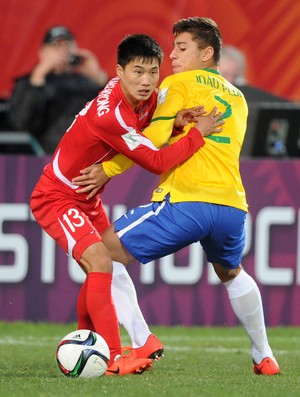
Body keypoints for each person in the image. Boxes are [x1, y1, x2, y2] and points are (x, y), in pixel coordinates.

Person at [74, 17, 281, 376]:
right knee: (231, 271)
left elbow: (150, 141)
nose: (172, 56)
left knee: (99, 253)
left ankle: (141, 340)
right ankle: (264, 356)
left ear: (207, 52)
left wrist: (107, 169)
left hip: (186, 200)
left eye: (182, 48)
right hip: (232, 206)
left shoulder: (179, 83)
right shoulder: (239, 96)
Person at [30, 33, 223, 376]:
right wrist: (197, 133)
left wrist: (176, 123)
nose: (147, 81)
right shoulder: (111, 115)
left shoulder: (145, 100)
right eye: (137, 72)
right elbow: (157, 161)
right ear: (119, 71)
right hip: (57, 196)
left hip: (86, 197)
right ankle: (115, 357)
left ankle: (106, 339)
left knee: (102, 265)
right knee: (102, 261)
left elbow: (149, 128)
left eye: (153, 71)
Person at [8, 25, 109, 154]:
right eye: (56, 46)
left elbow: (112, 115)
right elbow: (21, 123)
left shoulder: (85, 82)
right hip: (45, 157)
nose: (62, 52)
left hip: (88, 155)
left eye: (67, 46)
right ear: (42, 52)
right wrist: (38, 78)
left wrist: (99, 79)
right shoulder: (28, 82)